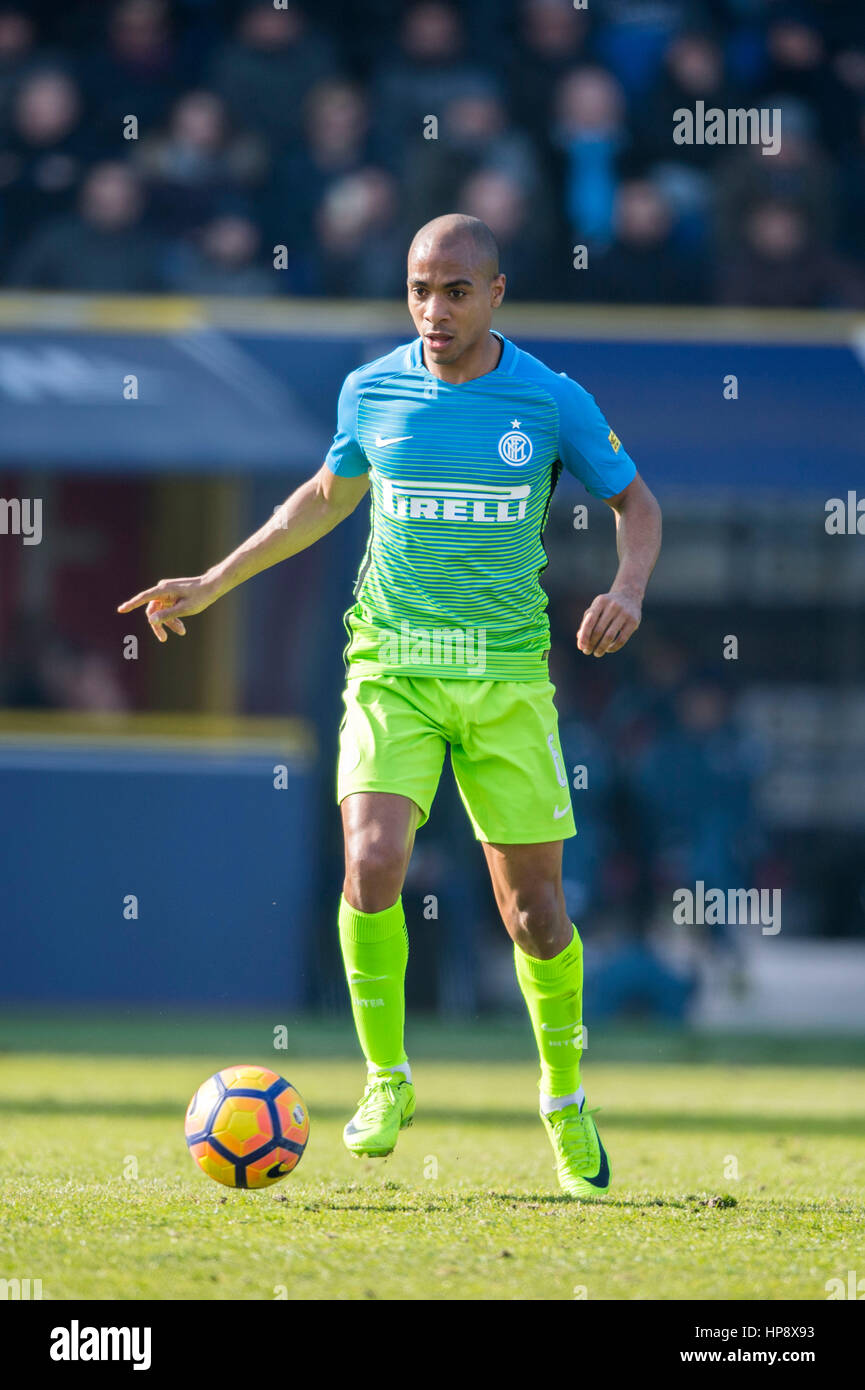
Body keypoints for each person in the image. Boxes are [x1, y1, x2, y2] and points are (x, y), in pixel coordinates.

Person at [118, 214, 662, 1199]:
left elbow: (637, 504)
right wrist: (214, 577)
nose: (434, 308)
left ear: (496, 293)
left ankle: (564, 1097)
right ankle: (387, 1078)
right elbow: (321, 498)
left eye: (455, 289)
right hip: (390, 667)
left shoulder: (548, 399)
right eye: (418, 288)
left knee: (534, 915)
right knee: (370, 861)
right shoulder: (370, 389)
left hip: (504, 679)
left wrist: (626, 589)